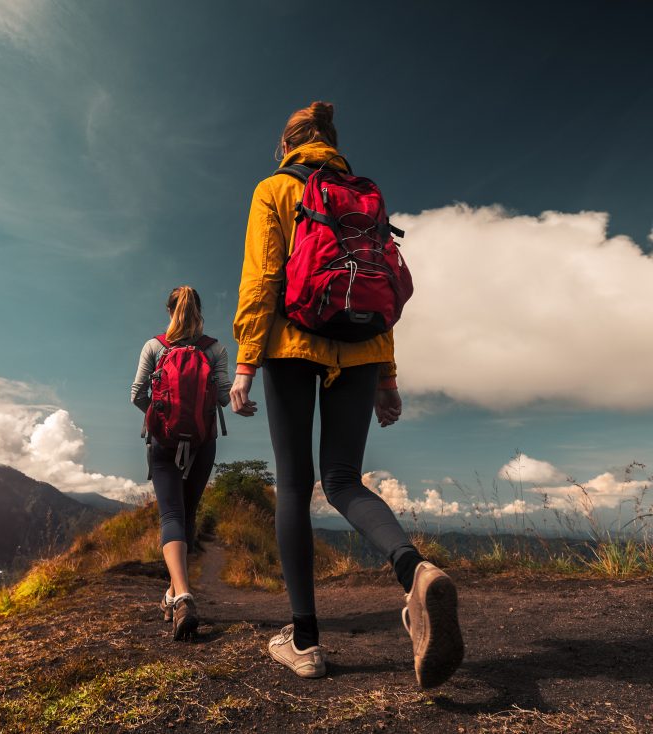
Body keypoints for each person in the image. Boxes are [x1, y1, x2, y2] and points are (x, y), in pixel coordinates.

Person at [229, 101, 464, 687]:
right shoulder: (365, 194)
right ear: (332, 143)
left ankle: (305, 641)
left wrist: (244, 362)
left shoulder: (275, 188)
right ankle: (414, 571)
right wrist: (386, 376)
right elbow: (378, 280)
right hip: (360, 344)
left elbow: (262, 278)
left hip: (290, 343)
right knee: (342, 480)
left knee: (292, 484)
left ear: (286, 147)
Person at [131, 285, 230, 640]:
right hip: (203, 443)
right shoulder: (215, 349)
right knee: (188, 513)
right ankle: (177, 594)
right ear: (199, 311)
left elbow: (136, 395)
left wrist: (160, 418)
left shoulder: (155, 346)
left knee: (171, 515)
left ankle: (179, 595)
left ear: (170, 310)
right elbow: (221, 396)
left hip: (163, 443)